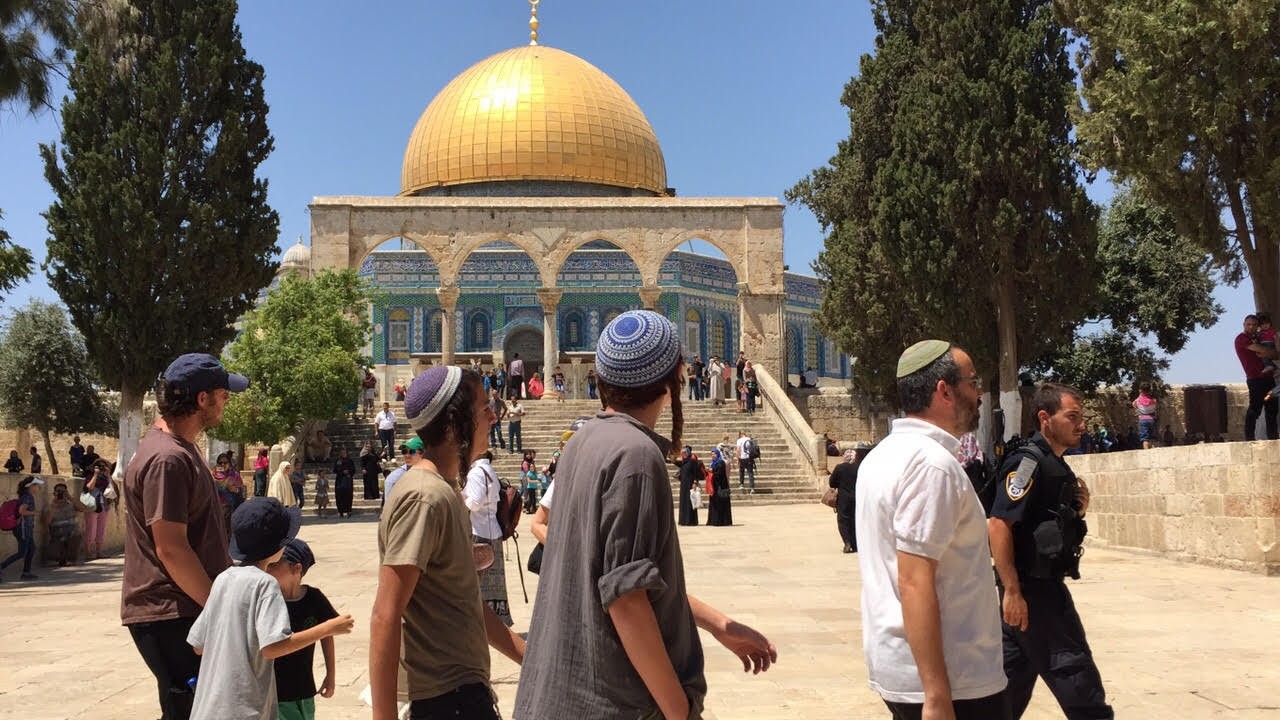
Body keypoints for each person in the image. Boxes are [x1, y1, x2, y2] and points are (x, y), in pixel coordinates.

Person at [514, 310, 776, 719]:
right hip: (615, 704)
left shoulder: (583, 442)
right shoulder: (635, 455)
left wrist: (719, 624)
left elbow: (623, 578)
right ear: (674, 379)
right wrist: (678, 711)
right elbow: (627, 599)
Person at [855, 340, 1009, 719]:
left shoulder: (882, 456)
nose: (978, 394)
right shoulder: (931, 464)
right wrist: (937, 695)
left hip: (905, 668)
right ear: (945, 391)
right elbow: (914, 580)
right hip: (953, 680)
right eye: (972, 382)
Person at [369, 365, 526, 720]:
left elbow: (465, 602)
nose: (493, 416)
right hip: (444, 700)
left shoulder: (446, 491)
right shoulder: (425, 497)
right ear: (455, 424)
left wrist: (528, 658)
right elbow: (385, 613)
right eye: (483, 408)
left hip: (463, 693)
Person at [121, 353, 246, 720]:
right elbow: (171, 548)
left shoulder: (179, 449)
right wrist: (218, 606)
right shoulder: (168, 459)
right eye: (223, 394)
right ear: (202, 399)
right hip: (173, 611)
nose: (227, 401)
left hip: (183, 608)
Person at [988, 383, 1112, 719]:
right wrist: (1012, 591)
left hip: (1034, 591)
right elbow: (998, 524)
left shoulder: (1053, 463)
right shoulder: (1028, 462)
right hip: (1036, 594)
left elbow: (1043, 520)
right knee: (1079, 684)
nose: (1081, 425)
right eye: (1072, 417)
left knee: (1008, 691)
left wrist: (1077, 510)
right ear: (1045, 418)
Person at [187, 497, 353, 720]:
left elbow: (198, 646)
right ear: (277, 547)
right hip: (245, 712)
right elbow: (273, 647)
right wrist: (328, 628)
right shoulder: (264, 583)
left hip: (208, 710)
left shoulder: (223, 579)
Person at [266, 539, 341, 720]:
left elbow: (327, 634)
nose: (267, 567)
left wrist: (330, 675)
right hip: (274, 691)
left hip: (305, 688)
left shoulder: (314, 598)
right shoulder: (268, 599)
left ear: (296, 568)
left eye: (274, 564)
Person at [464, 450, 514, 627]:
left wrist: (456, 500)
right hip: (493, 532)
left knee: (474, 583)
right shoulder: (489, 470)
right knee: (495, 586)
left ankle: (480, 624)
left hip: (479, 532)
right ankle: (496, 623)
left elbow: (474, 503)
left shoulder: (476, 472)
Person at [1235, 313, 1279, 440]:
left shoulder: (1258, 338)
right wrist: (1271, 353)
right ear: (1244, 325)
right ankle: (1249, 438)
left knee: (1272, 407)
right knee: (1255, 408)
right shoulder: (1242, 338)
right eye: (1248, 324)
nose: (1251, 327)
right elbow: (1264, 351)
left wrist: (1270, 353)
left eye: (1254, 325)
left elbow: (1269, 352)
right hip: (1256, 380)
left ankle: (1273, 438)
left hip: (1268, 379)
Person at [829, 443, 869, 554]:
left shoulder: (839, 468)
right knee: (855, 520)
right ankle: (856, 544)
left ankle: (847, 542)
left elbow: (832, 483)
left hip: (843, 499)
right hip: (857, 497)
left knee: (843, 520)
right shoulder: (859, 468)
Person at [1, 476, 42, 580]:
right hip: (23, 529)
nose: (38, 487)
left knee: (31, 549)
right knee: (22, 553)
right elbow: (22, 511)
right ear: (31, 486)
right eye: (36, 485)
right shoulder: (28, 497)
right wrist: (34, 513)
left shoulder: (26, 496)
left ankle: (26, 573)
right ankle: (1, 566)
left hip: (26, 529)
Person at [44, 481, 84, 566]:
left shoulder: (71, 504)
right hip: (57, 534)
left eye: (63, 491)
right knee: (53, 556)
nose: (61, 493)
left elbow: (83, 508)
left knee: (75, 536)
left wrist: (70, 497)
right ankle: (60, 557)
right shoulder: (50, 506)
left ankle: (70, 558)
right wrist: (54, 507)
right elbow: (47, 522)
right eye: (58, 491)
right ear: (54, 493)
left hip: (72, 532)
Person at [83, 460, 116, 559]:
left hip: (103, 505)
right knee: (91, 529)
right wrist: (95, 474)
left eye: (103, 466)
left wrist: (109, 475)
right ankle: (88, 552)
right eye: (99, 466)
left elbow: (112, 488)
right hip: (92, 504)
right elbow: (89, 487)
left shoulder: (106, 478)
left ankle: (99, 552)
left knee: (101, 528)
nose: (102, 468)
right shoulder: (90, 476)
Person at [382, 436, 423, 504]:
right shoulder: (394, 478)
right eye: (404, 452)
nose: (407, 455)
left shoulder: (432, 473)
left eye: (412, 452)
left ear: (422, 453)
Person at [675, 445, 703, 526]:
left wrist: (695, 483)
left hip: (690, 484)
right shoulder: (683, 462)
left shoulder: (692, 461)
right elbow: (674, 461)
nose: (683, 454)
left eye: (685, 452)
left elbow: (695, 473)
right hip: (684, 484)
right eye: (682, 453)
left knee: (690, 502)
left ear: (688, 453)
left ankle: (691, 521)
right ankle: (683, 520)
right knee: (684, 501)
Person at [705, 447, 733, 527]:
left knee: (720, 504)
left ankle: (720, 521)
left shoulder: (720, 463)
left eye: (714, 454)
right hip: (714, 487)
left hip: (720, 487)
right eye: (712, 454)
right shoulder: (713, 463)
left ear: (717, 454)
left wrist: (711, 471)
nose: (712, 455)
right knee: (714, 504)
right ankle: (713, 520)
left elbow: (719, 475)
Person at [331, 448, 355, 518]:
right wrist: (342, 472)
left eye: (344, 453)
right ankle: (340, 511)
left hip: (348, 481)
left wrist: (348, 472)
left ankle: (348, 511)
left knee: (348, 496)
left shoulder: (350, 460)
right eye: (342, 453)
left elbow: (353, 469)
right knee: (339, 496)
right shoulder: (338, 461)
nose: (343, 454)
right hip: (340, 481)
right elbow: (335, 470)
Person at [1132, 385, 1158, 449]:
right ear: (1150, 391)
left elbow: (1133, 404)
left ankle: (1146, 451)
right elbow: (1156, 407)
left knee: (1145, 439)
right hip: (1152, 420)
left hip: (1143, 420)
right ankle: (1154, 451)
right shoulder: (1154, 400)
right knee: (1152, 438)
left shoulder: (1138, 400)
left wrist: (1140, 395)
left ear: (1141, 391)